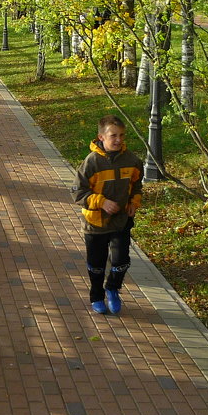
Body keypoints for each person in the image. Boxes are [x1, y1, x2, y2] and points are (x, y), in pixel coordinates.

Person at [73, 115, 143, 314]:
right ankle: (96, 295)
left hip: (121, 221)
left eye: (121, 135)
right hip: (95, 223)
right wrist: (101, 202)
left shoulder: (131, 160)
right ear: (101, 137)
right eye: (113, 135)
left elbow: (137, 184)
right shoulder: (92, 162)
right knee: (97, 263)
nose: (118, 140)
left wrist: (133, 203)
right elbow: (78, 192)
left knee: (121, 260)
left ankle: (112, 288)